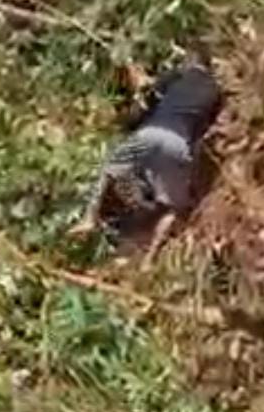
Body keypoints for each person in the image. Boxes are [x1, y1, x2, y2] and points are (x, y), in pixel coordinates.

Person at [70, 58, 223, 267]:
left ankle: (89, 218)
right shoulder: (214, 90)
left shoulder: (178, 74)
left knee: (110, 169)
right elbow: (205, 129)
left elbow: (150, 98)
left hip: (149, 133)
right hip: (178, 142)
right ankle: (149, 261)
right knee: (172, 208)